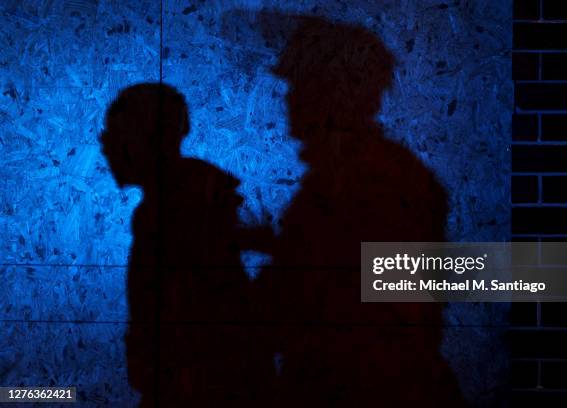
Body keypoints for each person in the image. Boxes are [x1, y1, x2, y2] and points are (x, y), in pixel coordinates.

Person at [253, 17, 466, 406]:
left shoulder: (384, 182)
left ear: (332, 96)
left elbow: (396, 304)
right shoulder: (342, 181)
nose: (288, 99)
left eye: (299, 85)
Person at [101, 83, 274, 406]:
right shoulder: (186, 200)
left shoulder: (184, 209)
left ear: (144, 140)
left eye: (115, 135)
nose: (106, 146)